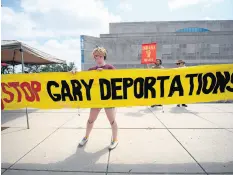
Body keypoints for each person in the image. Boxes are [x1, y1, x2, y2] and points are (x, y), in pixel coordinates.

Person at [71, 47, 118, 150]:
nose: (98, 58)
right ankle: (86, 137)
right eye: (96, 56)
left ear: (104, 56)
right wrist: (75, 73)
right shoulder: (91, 70)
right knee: (90, 120)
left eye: (100, 56)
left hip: (108, 99)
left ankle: (114, 140)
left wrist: (105, 73)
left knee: (112, 121)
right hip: (95, 99)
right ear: (94, 57)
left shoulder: (110, 67)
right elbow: (83, 80)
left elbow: (118, 79)